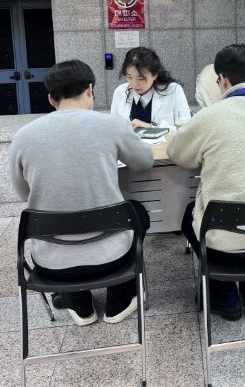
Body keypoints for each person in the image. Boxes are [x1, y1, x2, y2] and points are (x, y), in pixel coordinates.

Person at [9, 60, 154, 326]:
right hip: (113, 259)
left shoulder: (22, 136)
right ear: (90, 89)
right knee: (138, 213)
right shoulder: (112, 125)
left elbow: (23, 194)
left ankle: (80, 304)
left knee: (60, 231)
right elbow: (144, 163)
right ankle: (120, 301)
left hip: (52, 265)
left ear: (51, 99)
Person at [167, 44, 245, 321]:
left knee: (190, 217)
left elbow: (178, 154)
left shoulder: (208, 117)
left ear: (222, 80)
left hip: (225, 245)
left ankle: (225, 300)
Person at [111, 46, 191, 129]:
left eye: (141, 79)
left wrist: (150, 127)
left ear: (155, 75)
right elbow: (113, 127)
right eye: (129, 77)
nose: (134, 84)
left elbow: (186, 129)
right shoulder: (120, 92)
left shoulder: (173, 91)